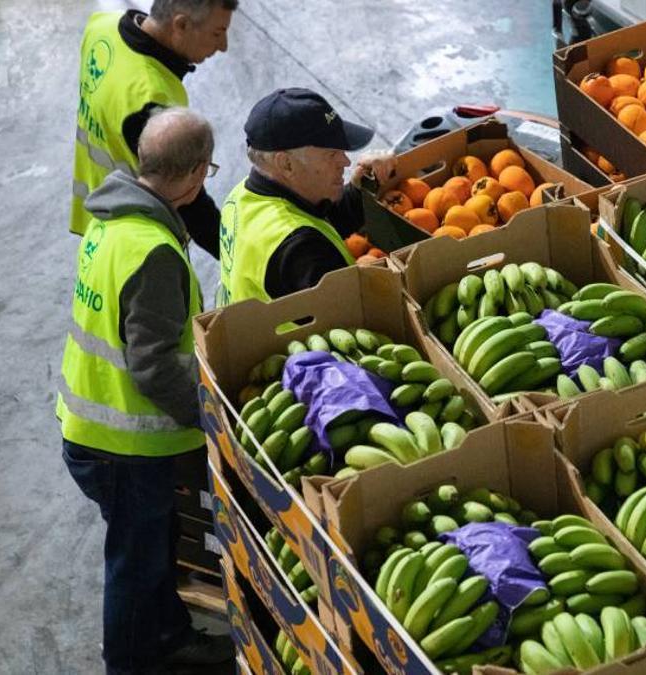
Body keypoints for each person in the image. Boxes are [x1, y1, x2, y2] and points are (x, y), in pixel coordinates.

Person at [59, 108, 233, 674]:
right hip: (124, 445)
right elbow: (155, 368)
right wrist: (216, 416)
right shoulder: (153, 249)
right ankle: (132, 660)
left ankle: (167, 634)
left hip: (88, 424)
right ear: (196, 175)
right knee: (134, 562)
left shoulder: (114, 219)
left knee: (151, 548)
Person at [72, 0, 237, 259]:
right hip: (138, 237)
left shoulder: (103, 27)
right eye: (217, 33)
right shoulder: (151, 101)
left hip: (97, 210)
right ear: (180, 24)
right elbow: (192, 204)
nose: (223, 46)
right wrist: (239, 256)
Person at [217, 87, 396, 306]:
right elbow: (357, 314)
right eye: (331, 154)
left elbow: (321, 223)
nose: (346, 162)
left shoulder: (241, 195)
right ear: (286, 164)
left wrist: (359, 190)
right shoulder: (299, 251)